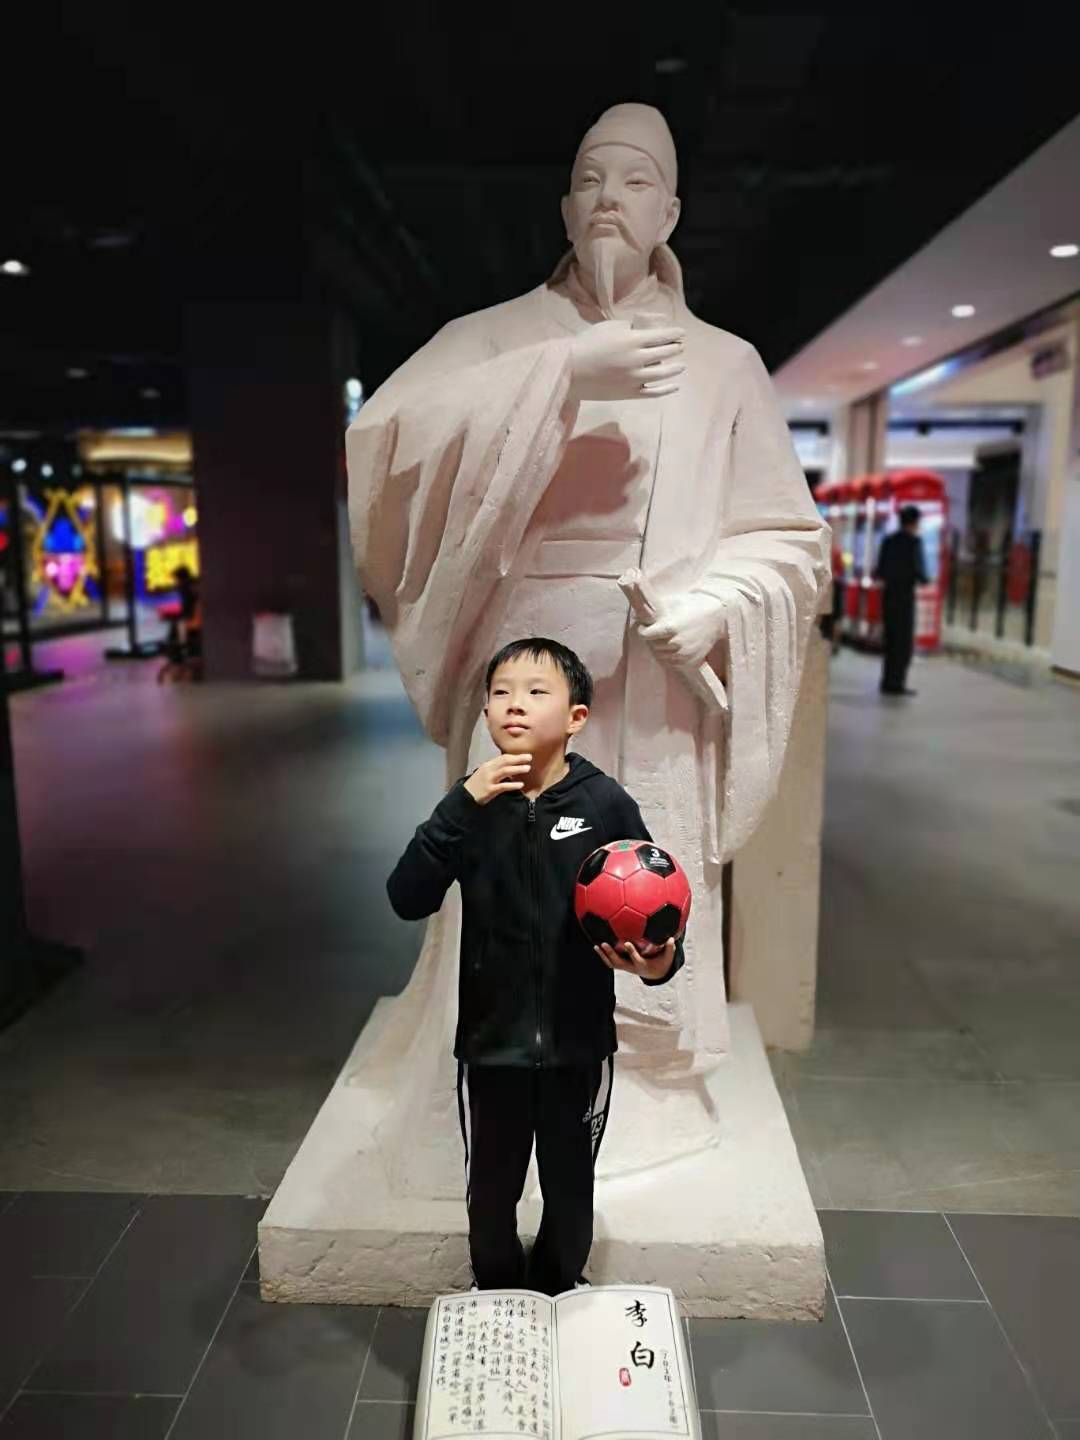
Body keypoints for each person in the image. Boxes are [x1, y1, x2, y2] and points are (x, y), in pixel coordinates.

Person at [347, 102, 828, 1194]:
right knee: (511, 868)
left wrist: (718, 604)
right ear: (566, 209)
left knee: (633, 866)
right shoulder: (495, 340)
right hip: (524, 666)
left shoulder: (726, 365)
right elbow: (379, 444)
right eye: (592, 178)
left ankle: (644, 1068)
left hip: (654, 671)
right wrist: (561, 376)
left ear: (671, 214)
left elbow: (787, 538)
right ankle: (492, 1064)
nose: (612, 197)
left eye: (637, 180)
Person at [386, 637, 684, 1295]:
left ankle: (558, 1292)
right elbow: (406, 897)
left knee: (570, 1191)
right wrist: (459, 805)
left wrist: (658, 961)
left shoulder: (604, 804)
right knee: (490, 1196)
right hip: (491, 1045)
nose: (513, 704)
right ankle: (497, 1299)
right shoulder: (472, 806)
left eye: (535, 691)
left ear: (577, 717)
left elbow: (656, 910)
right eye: (500, 692)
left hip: (579, 1046)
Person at [874, 504, 928, 696]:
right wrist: (924, 579)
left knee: (890, 640)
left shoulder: (888, 541)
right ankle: (897, 683)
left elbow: (879, 570)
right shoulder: (914, 542)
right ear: (914, 522)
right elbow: (920, 572)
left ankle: (886, 680)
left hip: (889, 597)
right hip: (905, 598)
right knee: (903, 642)